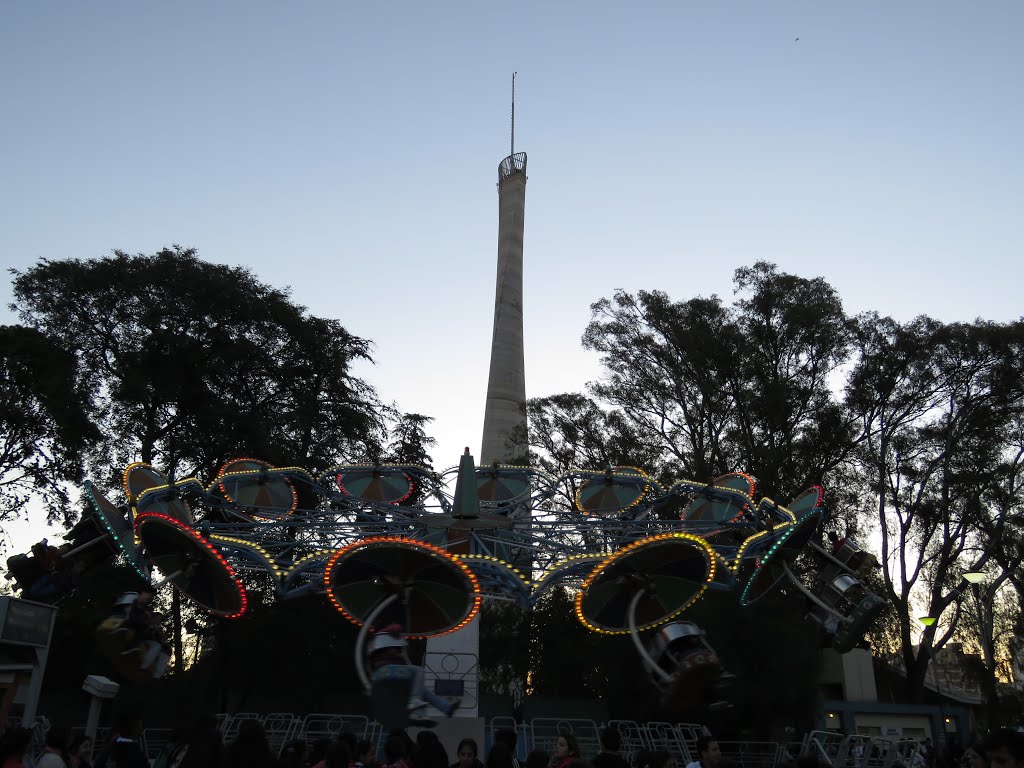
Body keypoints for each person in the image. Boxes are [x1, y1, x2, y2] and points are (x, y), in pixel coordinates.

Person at [369, 623, 459, 718]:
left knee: (422, 691)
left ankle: (446, 708)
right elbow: (397, 627)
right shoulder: (384, 636)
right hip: (388, 670)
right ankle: (414, 700)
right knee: (419, 671)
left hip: (386, 672)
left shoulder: (377, 642)